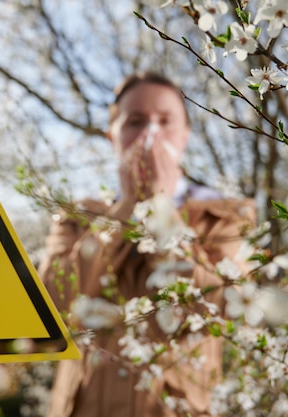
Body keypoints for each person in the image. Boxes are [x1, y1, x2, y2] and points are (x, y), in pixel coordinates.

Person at [38, 71, 256, 417]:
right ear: (114, 136)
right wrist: (126, 209)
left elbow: (216, 308)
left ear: (185, 135)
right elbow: (52, 304)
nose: (150, 133)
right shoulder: (78, 217)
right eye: (135, 121)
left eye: (165, 121)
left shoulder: (223, 218)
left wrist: (160, 210)